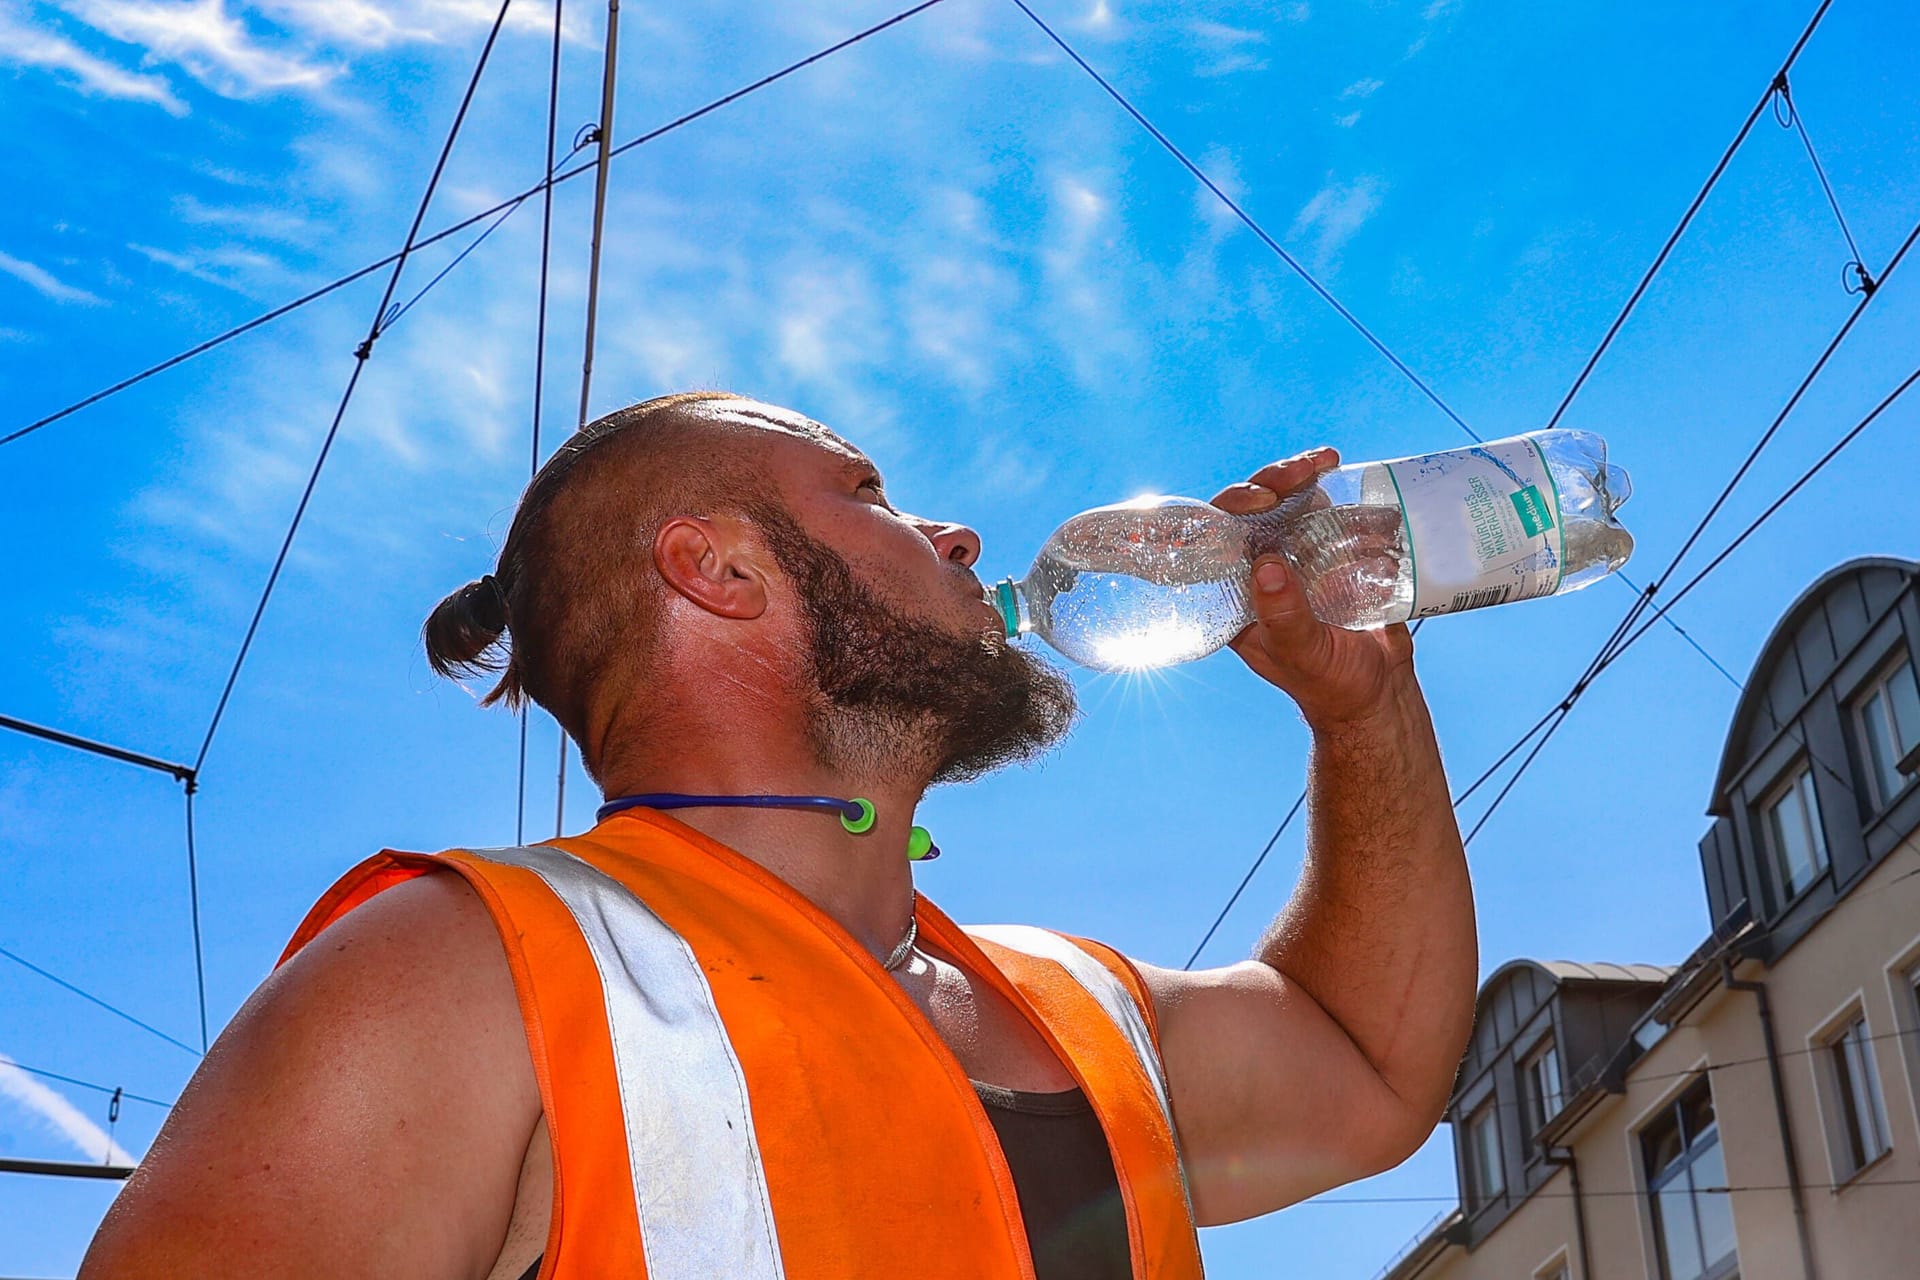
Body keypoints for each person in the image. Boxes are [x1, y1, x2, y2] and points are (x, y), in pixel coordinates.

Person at [81, 391, 1475, 1279]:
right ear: (721, 570)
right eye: (866, 492)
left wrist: (1364, 713)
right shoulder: (458, 978)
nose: (960, 530)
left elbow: (1369, 1069)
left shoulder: (1080, 1002)